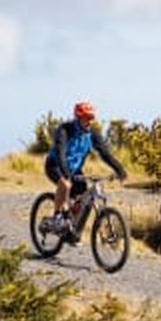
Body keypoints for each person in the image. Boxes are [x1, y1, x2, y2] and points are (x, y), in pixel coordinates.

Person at [43, 101, 127, 236]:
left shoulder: (92, 134)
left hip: (75, 170)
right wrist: (66, 174)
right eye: (87, 118)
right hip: (55, 165)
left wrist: (119, 169)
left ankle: (71, 230)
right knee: (65, 184)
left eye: (92, 118)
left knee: (83, 200)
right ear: (78, 117)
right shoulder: (65, 130)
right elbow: (60, 154)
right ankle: (57, 216)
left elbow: (105, 154)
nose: (90, 121)